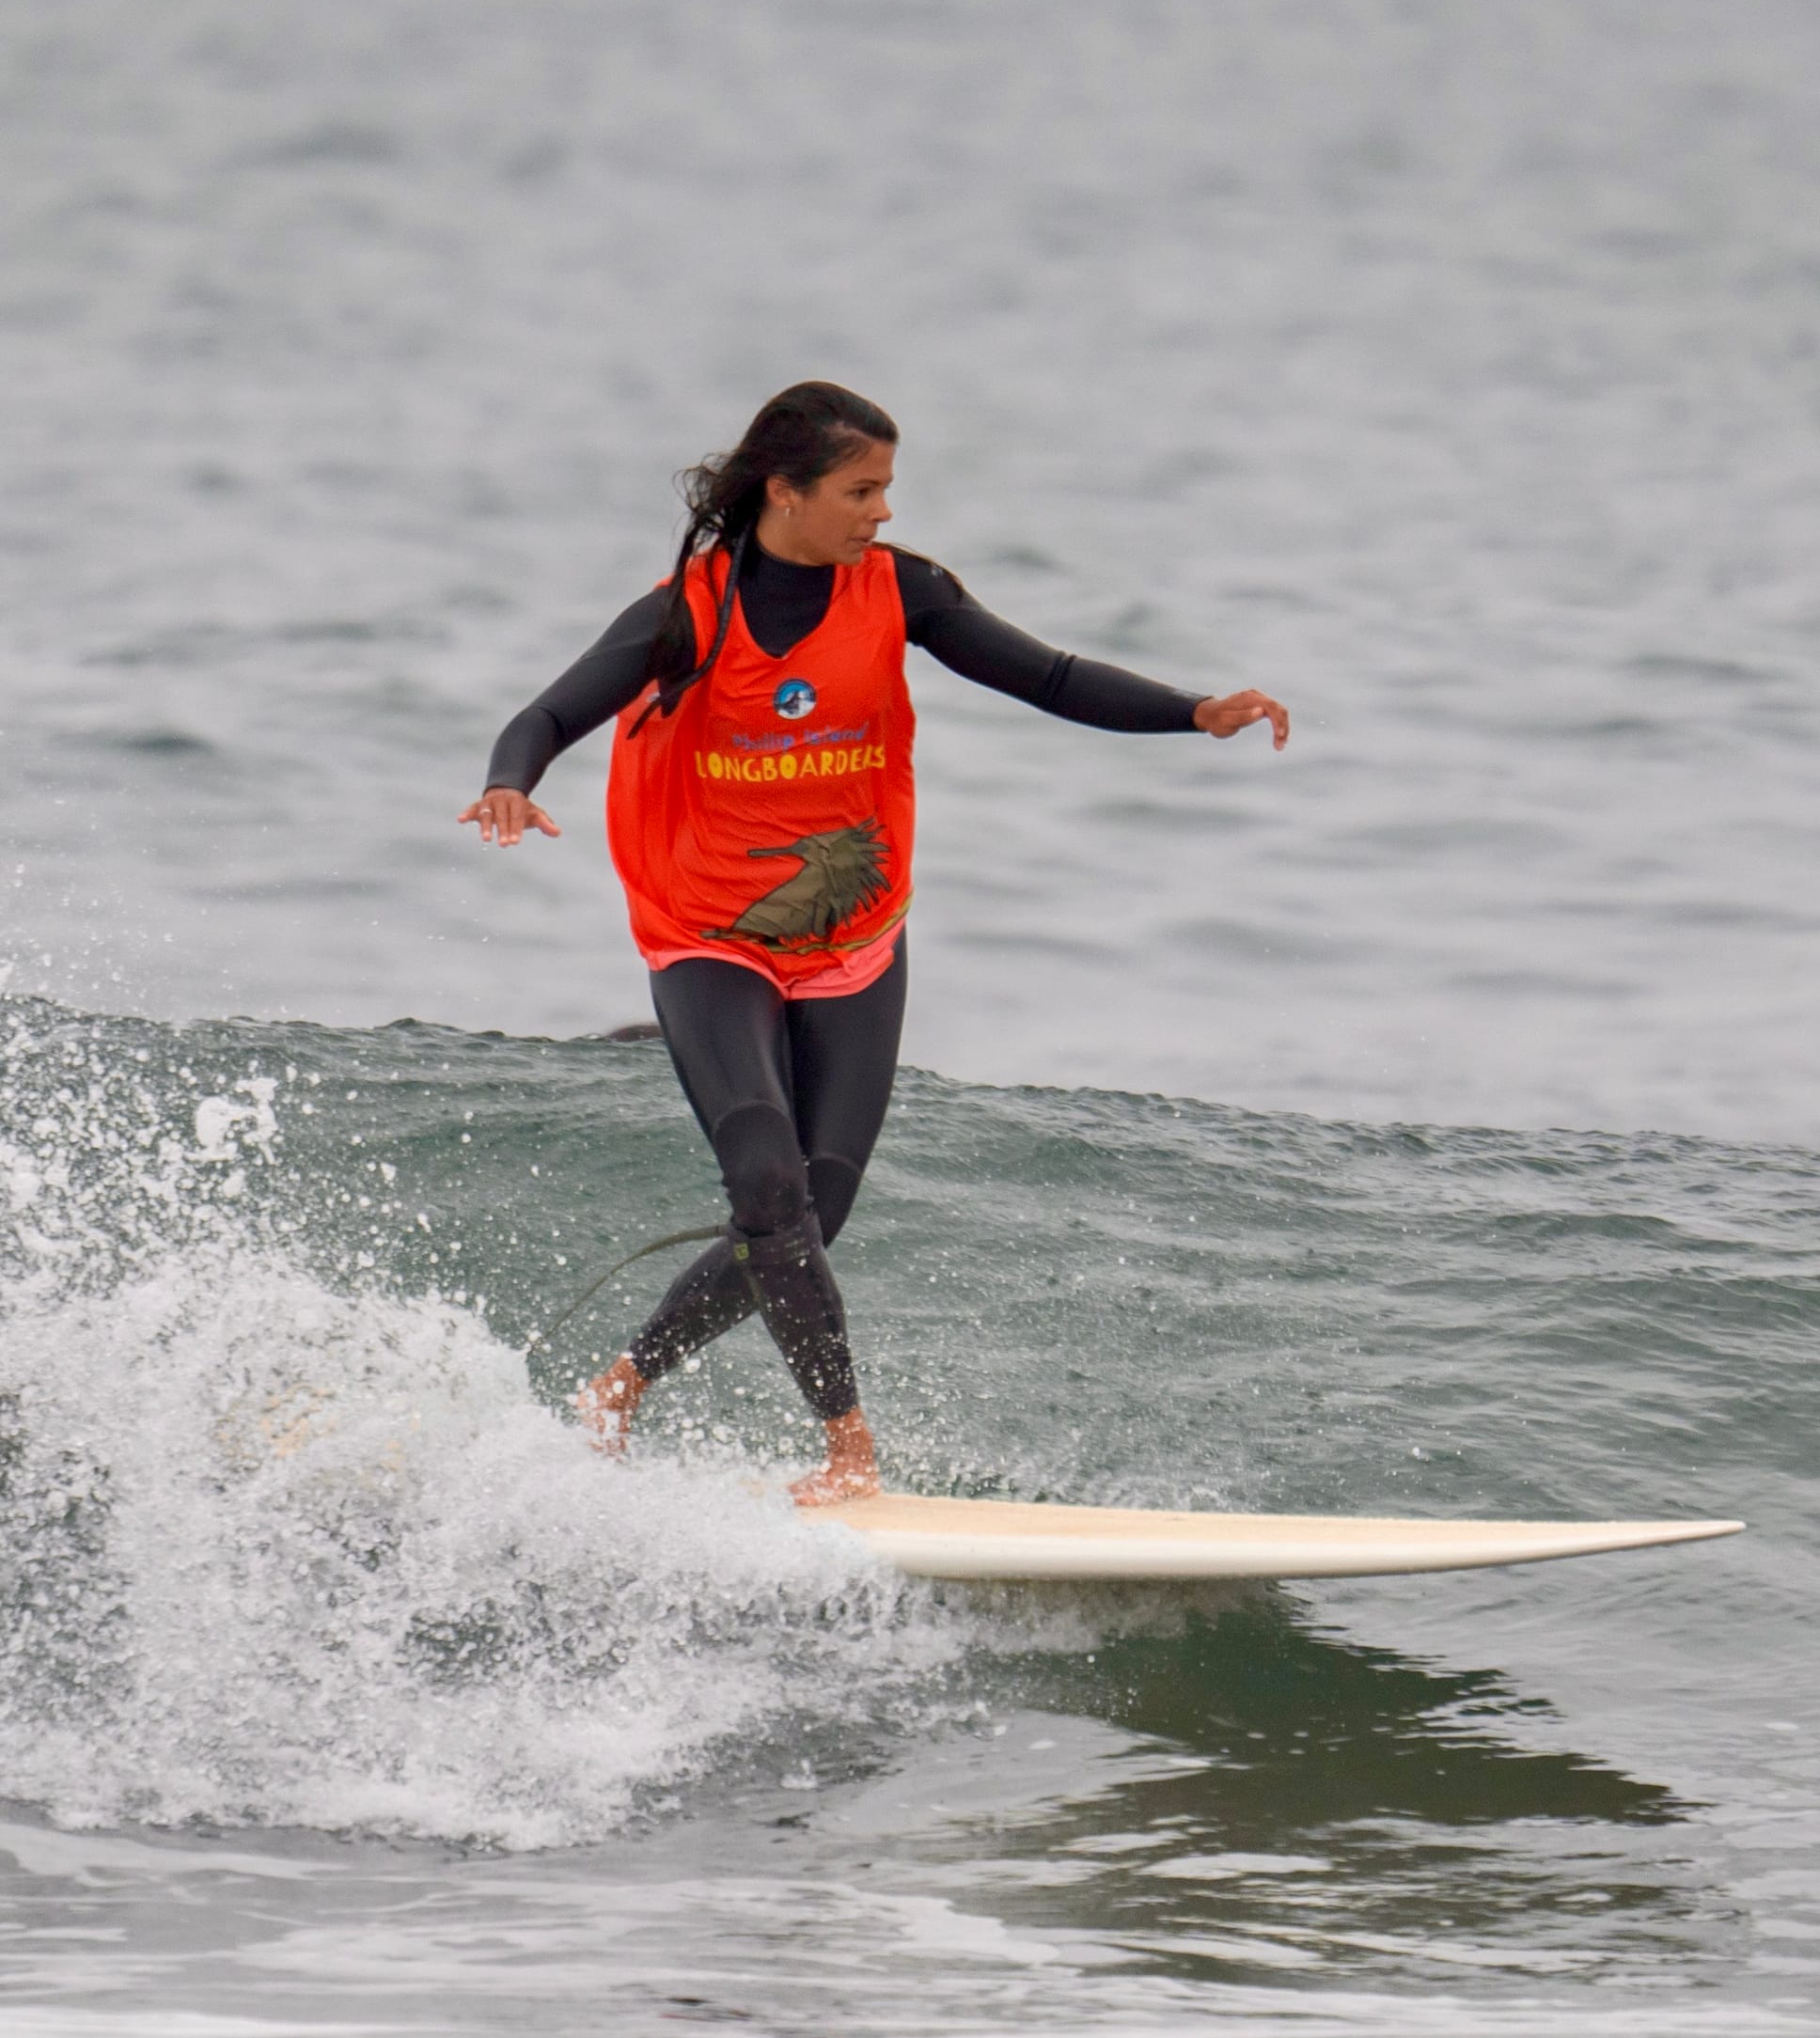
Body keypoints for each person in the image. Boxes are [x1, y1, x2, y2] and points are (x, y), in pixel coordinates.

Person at [459, 382, 1288, 1503]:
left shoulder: (901, 592)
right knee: (763, 1176)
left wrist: (1190, 711)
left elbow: (1042, 675)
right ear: (784, 492)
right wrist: (511, 783)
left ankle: (620, 1383)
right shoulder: (690, 612)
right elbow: (550, 713)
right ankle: (849, 1449)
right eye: (861, 490)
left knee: (817, 1207)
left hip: (854, 935)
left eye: (887, 488)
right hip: (710, 930)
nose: (882, 512)